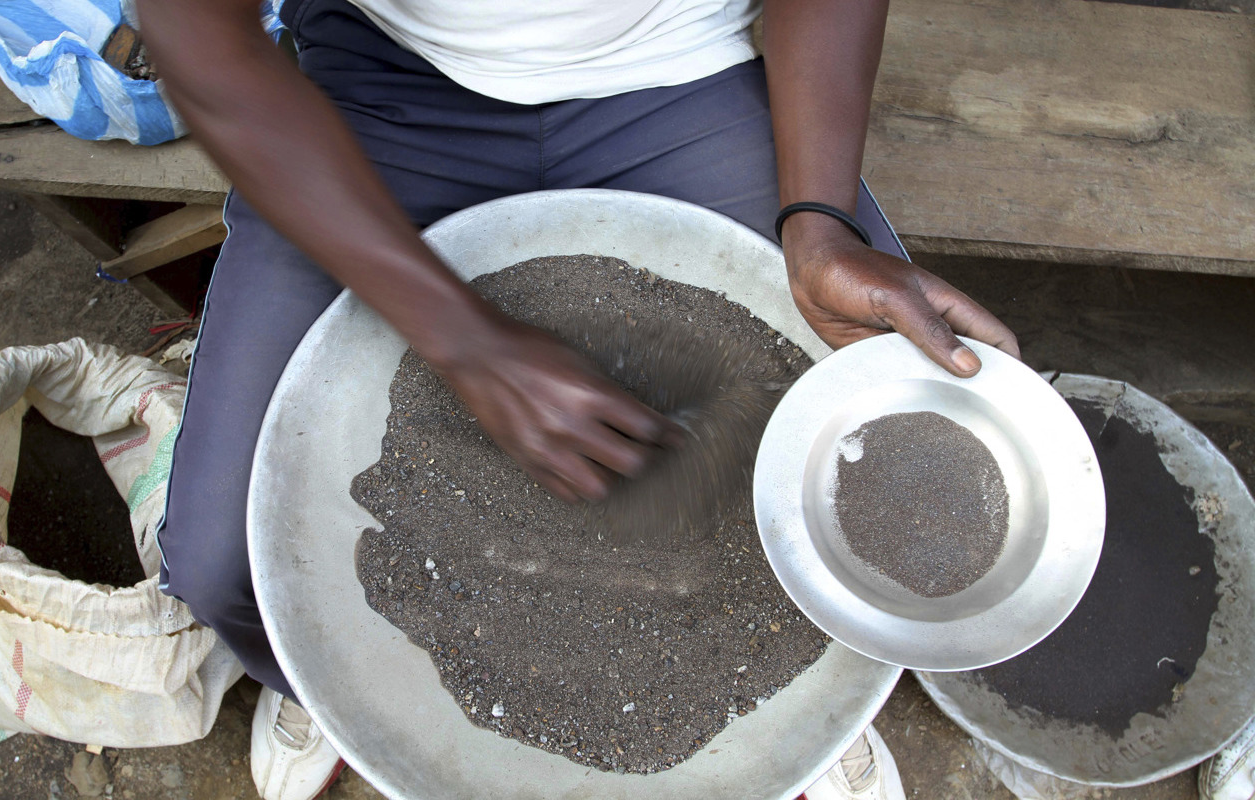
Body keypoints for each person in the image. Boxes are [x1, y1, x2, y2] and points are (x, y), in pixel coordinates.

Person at [137, 0, 1020, 797]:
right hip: (384, 81)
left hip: (680, 67)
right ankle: (315, 683)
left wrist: (819, 219)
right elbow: (192, 32)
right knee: (221, 563)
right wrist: (464, 339)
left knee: (854, 464)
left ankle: (820, 719)